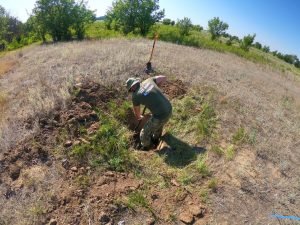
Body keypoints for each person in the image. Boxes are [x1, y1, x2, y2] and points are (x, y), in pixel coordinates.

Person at [125, 76, 172, 150]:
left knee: (143, 135)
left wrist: (139, 117)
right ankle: (156, 140)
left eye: (130, 90)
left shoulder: (135, 96)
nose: (131, 92)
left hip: (160, 116)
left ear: (132, 87)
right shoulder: (149, 80)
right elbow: (163, 77)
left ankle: (148, 147)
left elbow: (137, 112)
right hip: (169, 108)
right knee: (158, 126)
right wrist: (158, 87)